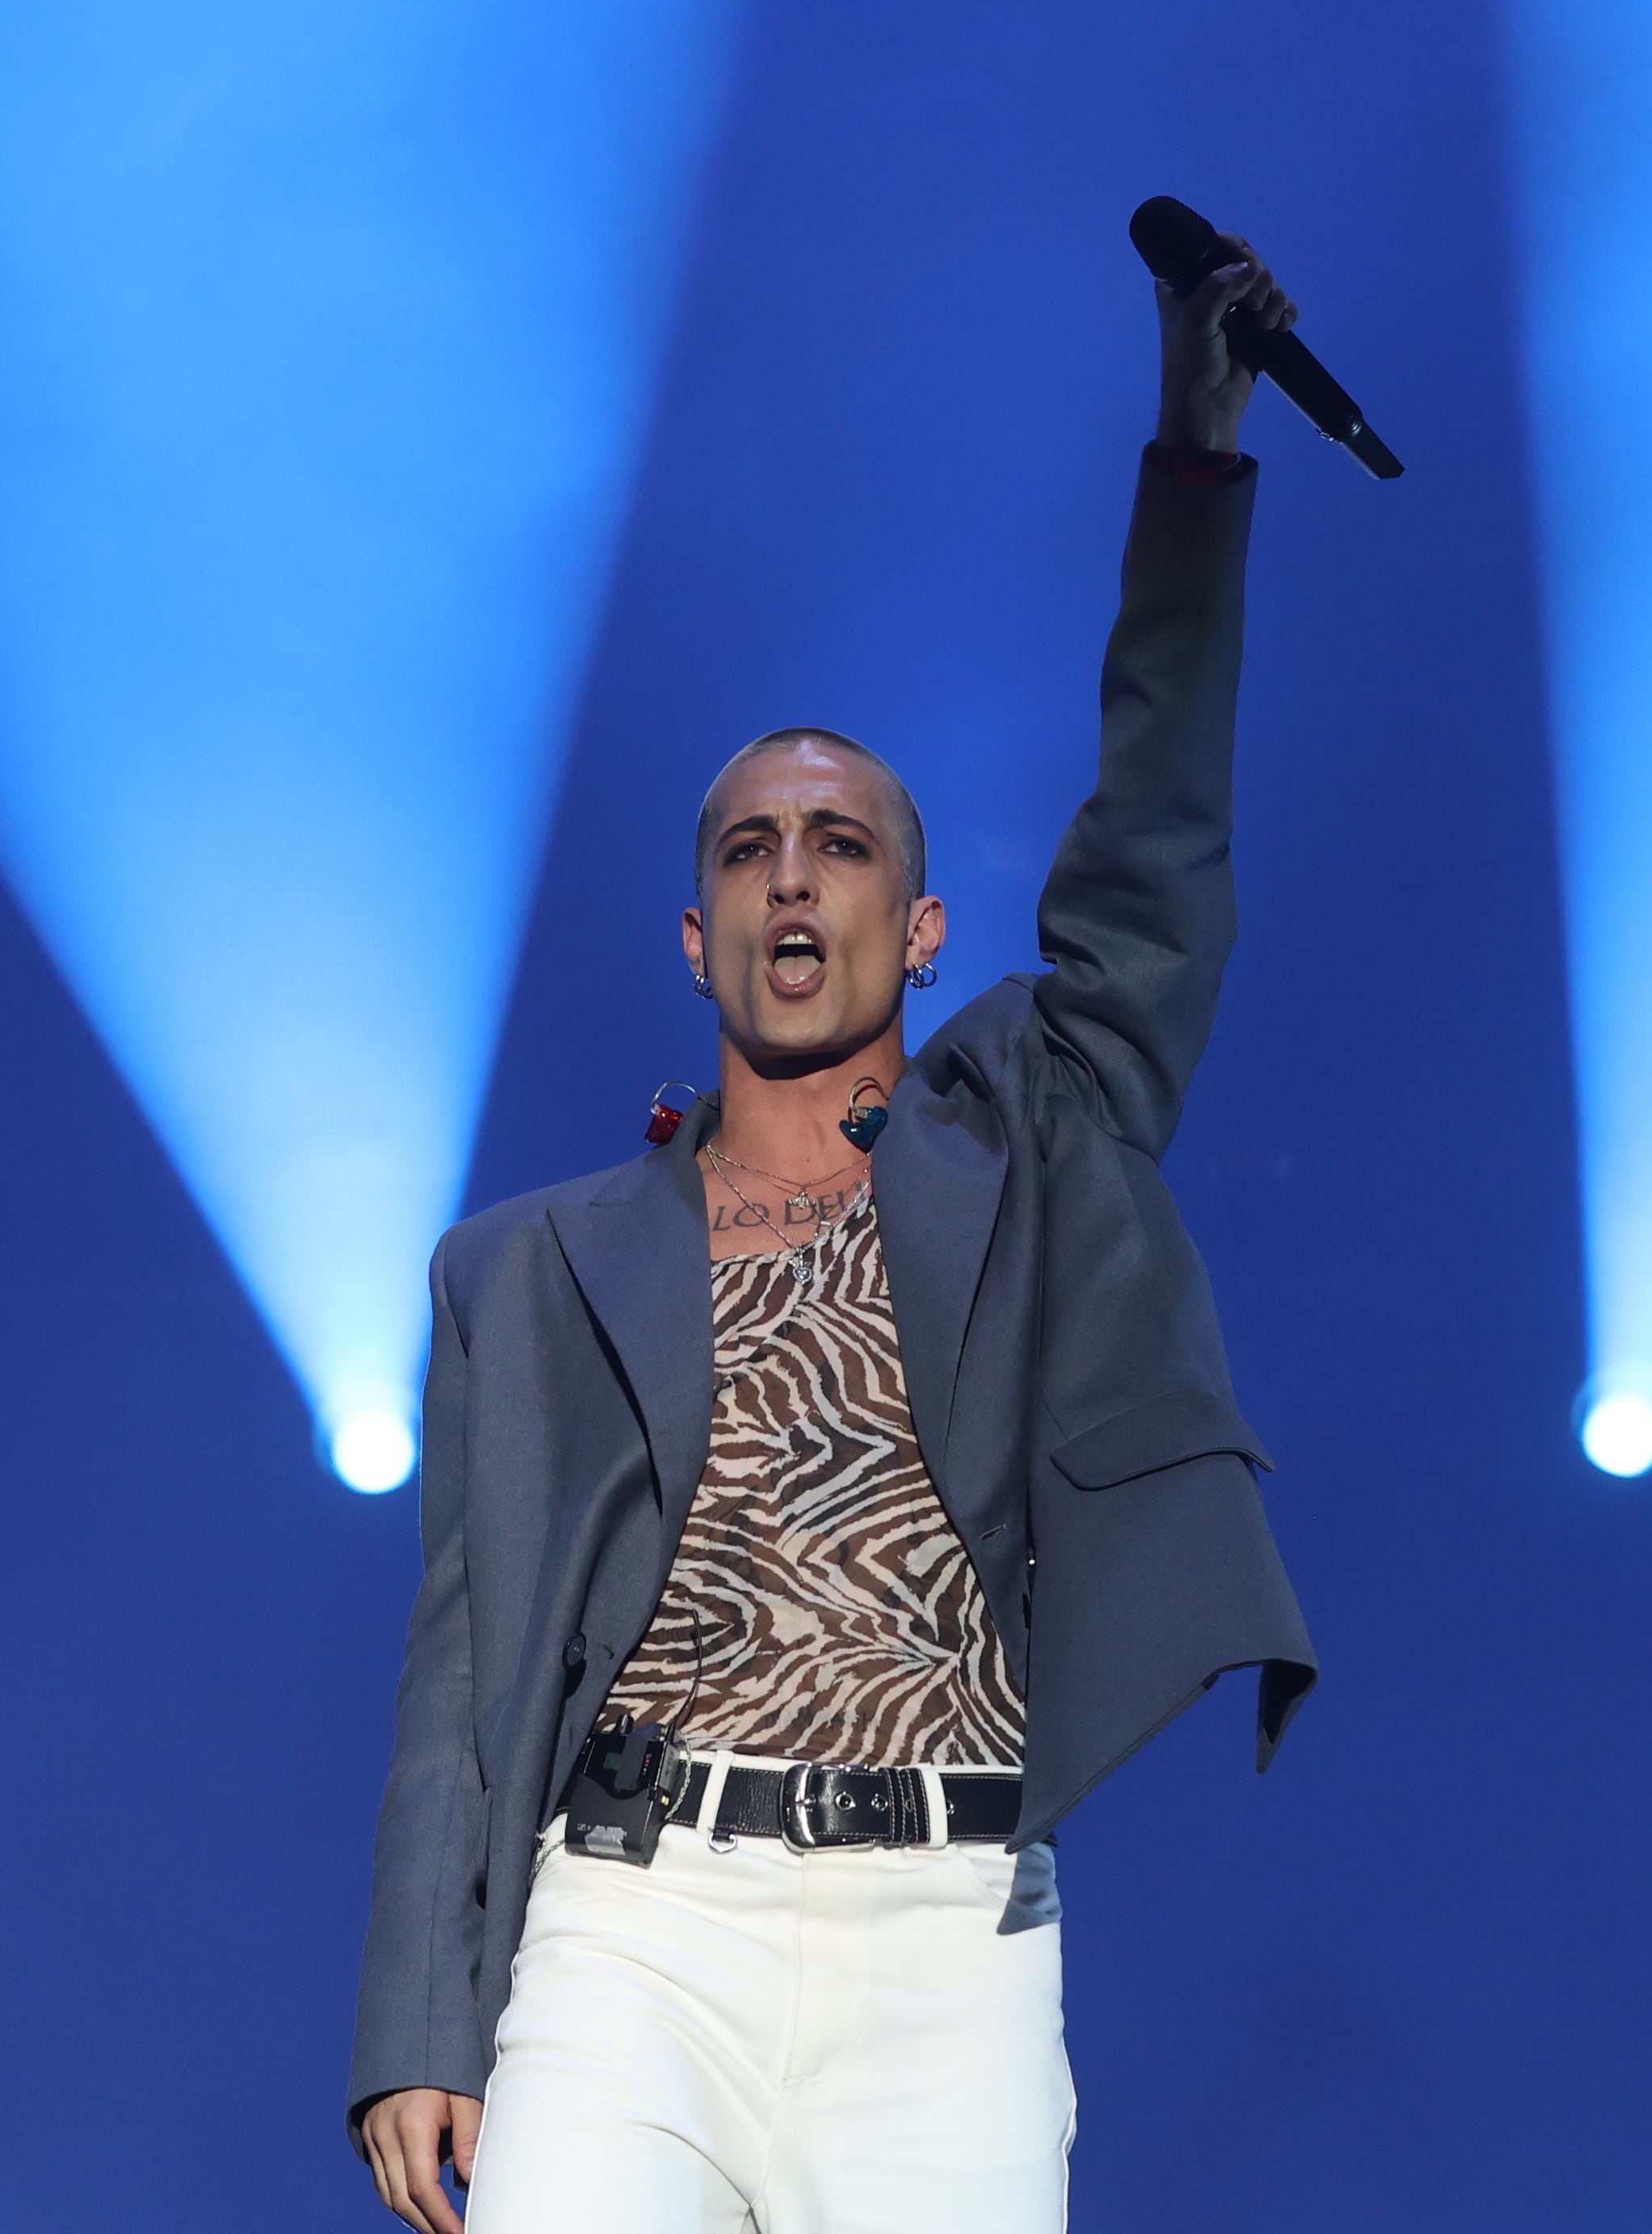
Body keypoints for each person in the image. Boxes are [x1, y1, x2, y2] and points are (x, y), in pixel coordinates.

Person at [350, 229, 1320, 2234]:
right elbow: (462, 1669)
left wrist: (1196, 450)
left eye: (845, 842)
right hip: (632, 1932)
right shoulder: (521, 1270)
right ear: (699, 933)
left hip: (945, 1936)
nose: (798, 877)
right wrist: (418, 2019)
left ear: (922, 926)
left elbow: (1156, 856)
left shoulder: (1025, 1141)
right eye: (750, 848)